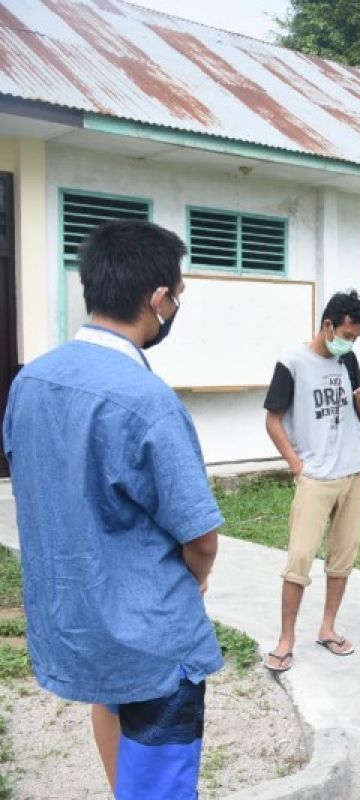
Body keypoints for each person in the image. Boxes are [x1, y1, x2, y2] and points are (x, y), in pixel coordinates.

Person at [2, 219, 222, 799]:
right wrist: (195, 582)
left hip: (83, 619)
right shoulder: (145, 398)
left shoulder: (31, 381)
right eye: (177, 294)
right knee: (159, 787)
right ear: (157, 299)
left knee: (115, 735)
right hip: (151, 635)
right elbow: (200, 538)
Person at [263, 290, 360, 672]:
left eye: (356, 338)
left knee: (343, 555)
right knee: (299, 558)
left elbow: (359, 414)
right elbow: (273, 419)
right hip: (316, 475)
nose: (350, 342)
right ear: (328, 325)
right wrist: (296, 464)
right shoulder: (293, 362)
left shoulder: (349, 360)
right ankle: (286, 639)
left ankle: (328, 628)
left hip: (354, 468)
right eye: (347, 334)